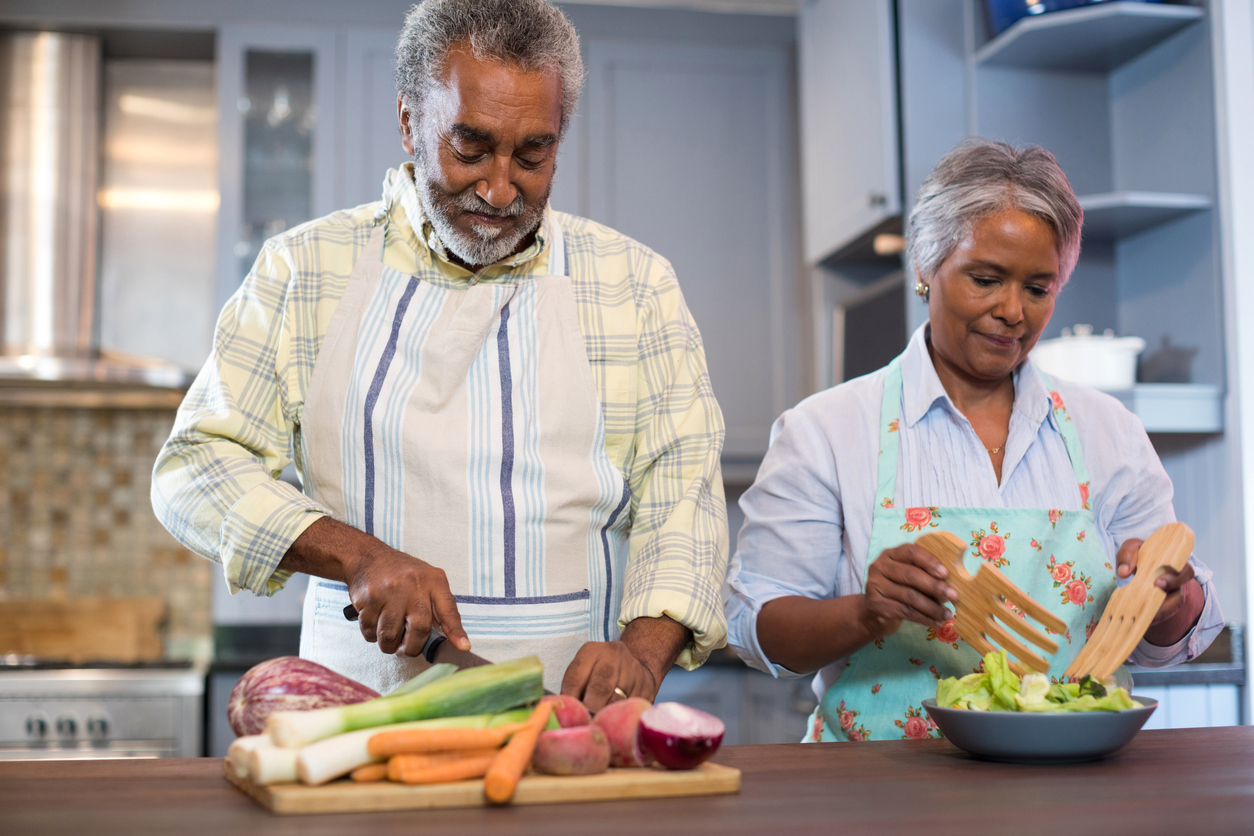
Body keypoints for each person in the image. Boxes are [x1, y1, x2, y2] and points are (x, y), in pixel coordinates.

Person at [152, 0, 727, 708]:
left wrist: (641, 654)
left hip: (576, 729)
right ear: (408, 122)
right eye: (471, 147)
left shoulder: (634, 284)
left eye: (533, 154)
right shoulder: (303, 270)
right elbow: (196, 467)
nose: (498, 188)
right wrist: (357, 554)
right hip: (359, 719)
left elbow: (685, 497)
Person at [724, 139, 1223, 741]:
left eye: (1038, 288)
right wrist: (866, 611)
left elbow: (1167, 644)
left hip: (1072, 789)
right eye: (986, 279)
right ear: (926, 267)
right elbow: (758, 628)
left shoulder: (1106, 431)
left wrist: (1171, 602)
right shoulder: (826, 431)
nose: (1013, 311)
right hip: (878, 791)